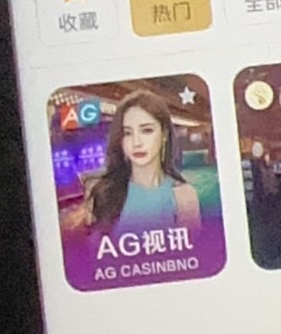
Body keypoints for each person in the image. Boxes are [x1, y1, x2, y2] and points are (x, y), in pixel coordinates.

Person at [82, 90, 201, 237]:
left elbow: (193, 249)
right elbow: (93, 249)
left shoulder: (184, 196)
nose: (136, 143)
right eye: (127, 133)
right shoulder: (100, 191)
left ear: (164, 134)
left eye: (146, 130)